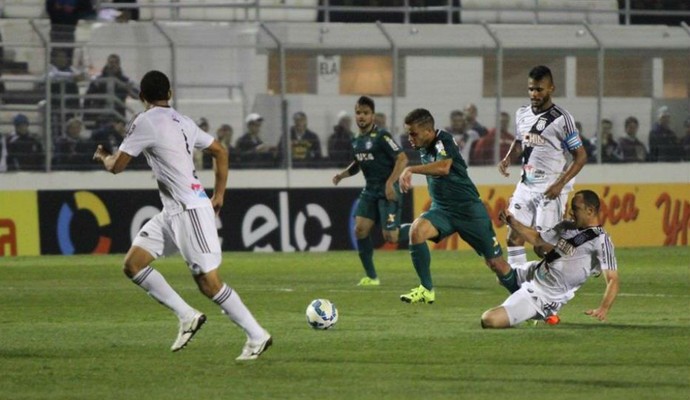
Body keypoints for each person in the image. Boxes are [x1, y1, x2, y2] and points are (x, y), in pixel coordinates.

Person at [92, 70, 272, 360]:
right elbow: (220, 151)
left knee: (209, 283)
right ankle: (187, 315)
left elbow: (116, 166)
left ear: (141, 97)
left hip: (190, 211)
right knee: (133, 264)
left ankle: (257, 335)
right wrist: (220, 194)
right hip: (173, 211)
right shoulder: (184, 121)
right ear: (170, 94)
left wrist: (103, 156)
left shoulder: (144, 121)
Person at [398, 108, 517, 303]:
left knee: (496, 264)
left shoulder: (443, 140)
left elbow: (444, 167)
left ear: (428, 131)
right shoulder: (423, 146)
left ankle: (530, 305)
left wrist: (411, 169)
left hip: (469, 210)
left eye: (413, 133)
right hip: (442, 210)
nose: (409, 138)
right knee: (416, 231)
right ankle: (426, 289)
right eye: (408, 133)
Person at [481, 190, 619, 328]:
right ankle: (525, 311)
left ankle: (533, 312)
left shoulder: (601, 240)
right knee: (499, 270)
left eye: (576, 208)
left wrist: (603, 309)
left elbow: (612, 279)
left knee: (489, 320)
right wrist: (511, 221)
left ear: (590, 210)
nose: (571, 212)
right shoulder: (566, 226)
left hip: (544, 295)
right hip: (536, 271)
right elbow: (537, 239)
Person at [498, 65, 587, 267]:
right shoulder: (521, 113)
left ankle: (582, 255)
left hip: (550, 188)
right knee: (514, 237)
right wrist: (508, 157)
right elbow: (522, 139)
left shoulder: (562, 119)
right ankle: (518, 290)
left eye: (539, 89)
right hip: (526, 185)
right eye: (531, 89)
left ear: (551, 89)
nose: (534, 94)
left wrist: (559, 184)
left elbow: (580, 156)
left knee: (542, 247)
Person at [332, 96, 409, 286]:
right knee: (360, 230)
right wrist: (342, 175)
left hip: (387, 190)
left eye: (366, 113)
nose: (361, 117)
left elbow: (402, 159)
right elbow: (359, 163)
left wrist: (390, 183)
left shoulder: (383, 136)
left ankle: (421, 228)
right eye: (358, 113)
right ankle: (372, 277)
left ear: (372, 116)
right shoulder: (356, 139)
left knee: (391, 237)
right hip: (370, 190)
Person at [83, 54, 139, 127]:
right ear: (107, 63)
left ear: (119, 65)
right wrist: (86, 116)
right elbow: (88, 97)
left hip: (118, 115)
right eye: (111, 63)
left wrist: (129, 89)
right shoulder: (98, 80)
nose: (113, 65)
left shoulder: (124, 81)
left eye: (115, 63)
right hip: (100, 116)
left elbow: (137, 95)